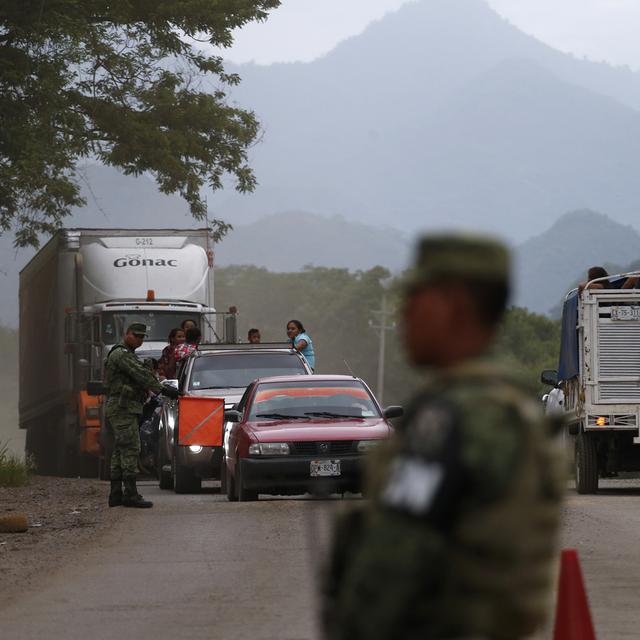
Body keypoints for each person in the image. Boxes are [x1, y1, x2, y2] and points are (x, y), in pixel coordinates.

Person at [321, 233, 565, 640]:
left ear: (454, 305)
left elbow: (396, 560)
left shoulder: (456, 417)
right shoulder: (509, 402)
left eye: (414, 298)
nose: (404, 315)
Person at [105, 323, 178, 508]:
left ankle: (116, 493)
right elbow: (140, 375)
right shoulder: (121, 354)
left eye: (142, 337)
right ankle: (130, 494)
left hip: (125, 407)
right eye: (136, 336)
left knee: (121, 450)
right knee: (130, 448)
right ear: (126, 334)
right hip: (123, 408)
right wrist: (162, 389)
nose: (140, 339)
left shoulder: (127, 354)